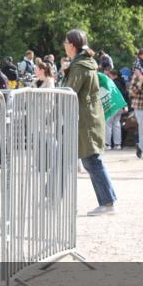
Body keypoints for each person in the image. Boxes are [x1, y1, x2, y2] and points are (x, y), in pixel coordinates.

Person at [62, 29, 118, 215]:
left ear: (72, 45)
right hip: (88, 117)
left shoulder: (79, 66)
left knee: (92, 160)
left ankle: (108, 202)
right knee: (87, 159)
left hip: (85, 119)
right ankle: (57, 200)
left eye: (65, 42)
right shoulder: (85, 63)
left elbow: (69, 92)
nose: (64, 46)